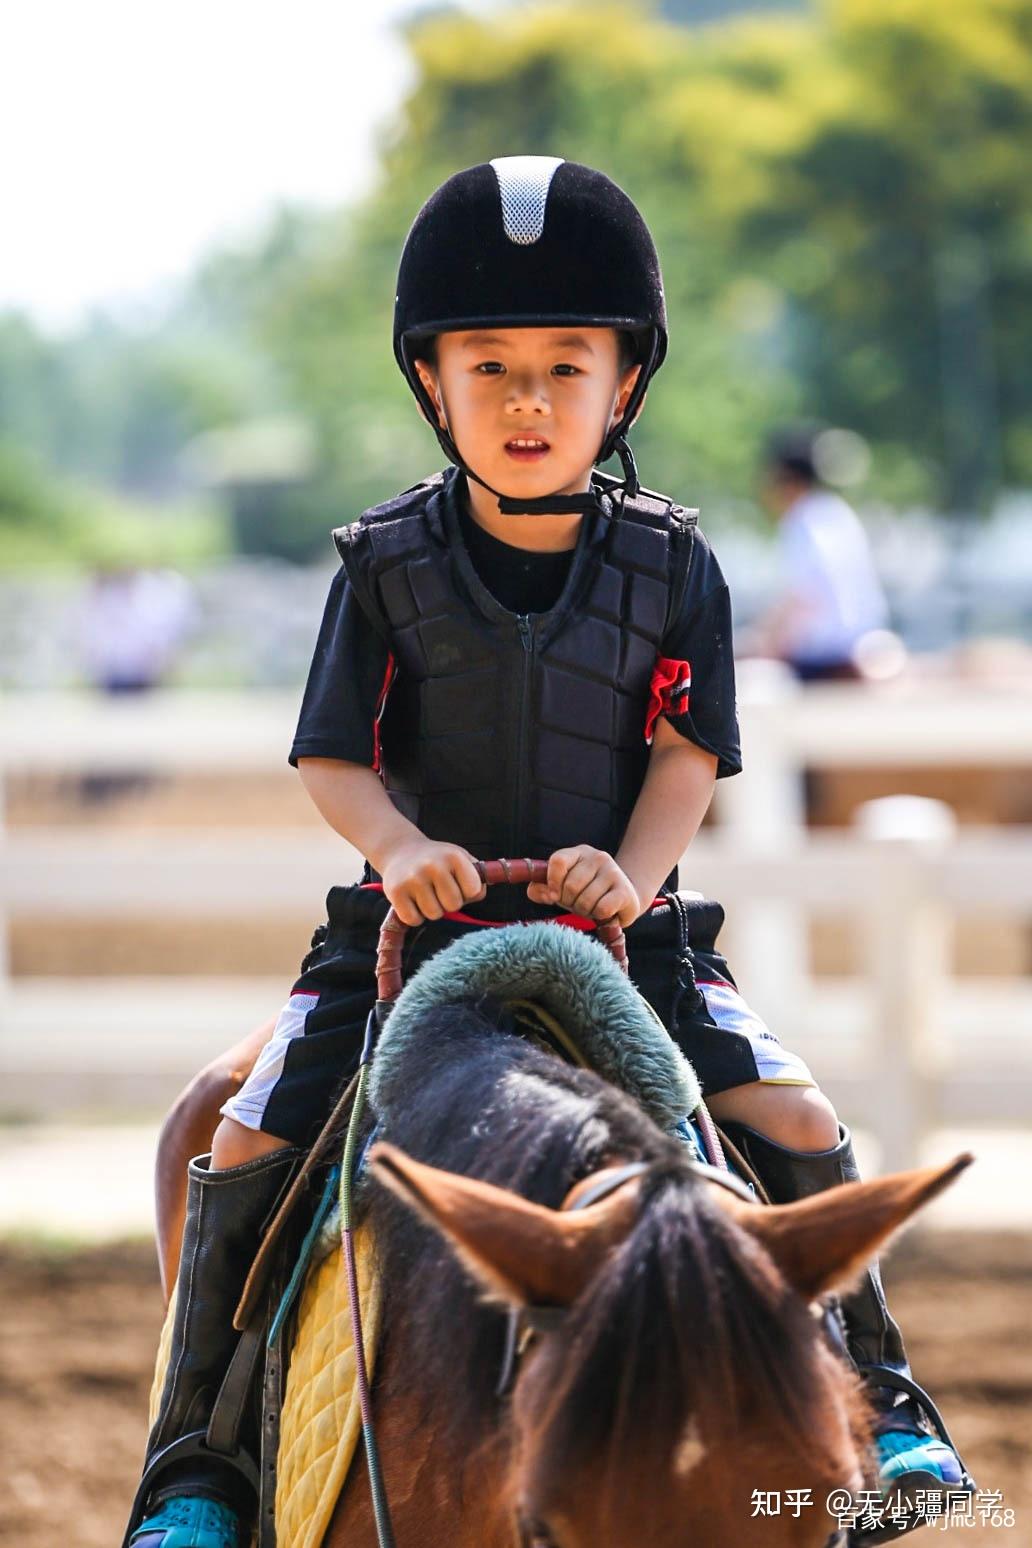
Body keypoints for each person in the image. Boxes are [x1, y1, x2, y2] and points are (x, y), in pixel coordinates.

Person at [127, 159, 972, 1548]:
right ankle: (197, 1462)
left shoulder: (677, 567)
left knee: (804, 1120)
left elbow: (690, 753)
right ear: (432, 385)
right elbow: (333, 756)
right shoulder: (382, 565)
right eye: (492, 366)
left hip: (625, 942)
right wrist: (398, 846)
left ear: (622, 387)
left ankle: (885, 1405)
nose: (528, 401)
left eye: (564, 367)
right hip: (409, 940)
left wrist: (631, 876)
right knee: (244, 1132)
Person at [752, 423, 891, 681]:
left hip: (826, 656)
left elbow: (804, 597)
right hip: (865, 642)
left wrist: (766, 643)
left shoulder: (801, 521)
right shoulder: (836, 511)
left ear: (785, 480)